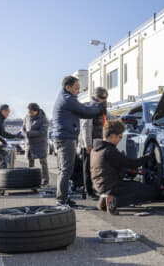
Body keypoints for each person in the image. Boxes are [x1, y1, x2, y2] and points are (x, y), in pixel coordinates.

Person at [52, 76, 107, 206]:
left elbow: (83, 112)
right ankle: (61, 200)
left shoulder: (65, 97)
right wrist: (100, 107)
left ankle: (62, 198)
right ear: (68, 87)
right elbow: (86, 112)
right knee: (66, 170)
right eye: (76, 88)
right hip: (66, 138)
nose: (78, 91)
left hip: (63, 137)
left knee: (64, 170)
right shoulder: (68, 99)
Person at [90, 120, 158, 215]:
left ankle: (105, 199)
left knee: (136, 186)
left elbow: (111, 167)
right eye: (120, 137)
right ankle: (115, 201)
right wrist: (147, 156)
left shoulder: (96, 149)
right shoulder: (110, 151)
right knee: (151, 191)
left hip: (100, 185)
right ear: (112, 136)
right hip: (112, 186)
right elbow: (131, 164)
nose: (120, 139)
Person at [79, 87, 113, 200]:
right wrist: (87, 144)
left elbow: (109, 118)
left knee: (95, 167)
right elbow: (85, 127)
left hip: (98, 142)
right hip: (89, 144)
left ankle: (93, 189)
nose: (104, 99)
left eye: (105, 97)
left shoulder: (102, 108)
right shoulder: (90, 107)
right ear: (96, 96)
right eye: (102, 97)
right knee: (88, 168)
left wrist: (121, 120)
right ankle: (88, 191)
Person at [23, 103, 50, 186]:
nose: (29, 113)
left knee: (43, 162)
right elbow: (23, 127)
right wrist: (23, 132)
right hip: (29, 143)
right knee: (29, 161)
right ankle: (30, 179)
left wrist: (29, 133)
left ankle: (45, 179)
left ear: (36, 111)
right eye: (28, 112)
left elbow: (42, 132)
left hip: (40, 144)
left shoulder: (43, 119)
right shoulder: (26, 117)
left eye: (31, 112)